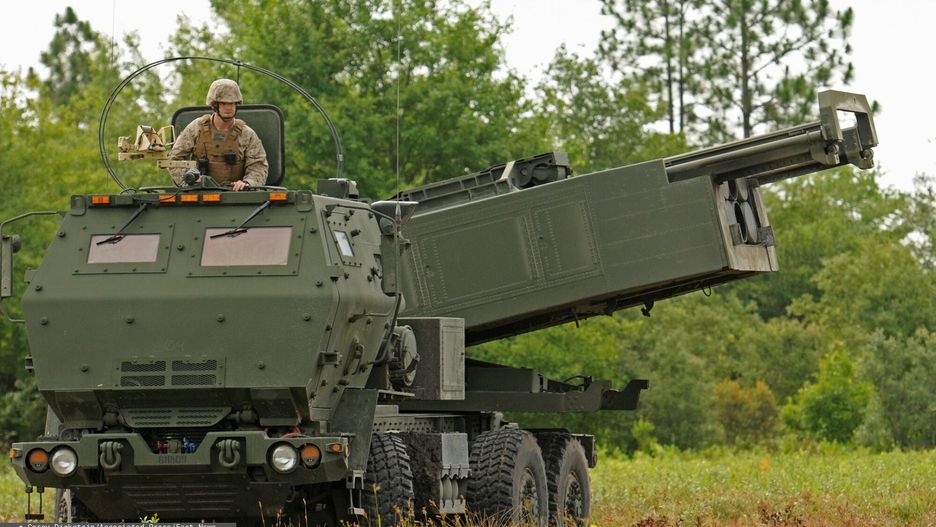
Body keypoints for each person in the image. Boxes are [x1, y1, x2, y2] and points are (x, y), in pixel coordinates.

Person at [168, 79, 268, 191]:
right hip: (199, 193)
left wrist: (247, 183)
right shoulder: (196, 128)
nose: (229, 107)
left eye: (232, 103)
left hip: (234, 195)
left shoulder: (246, 134)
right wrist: (189, 179)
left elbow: (258, 165)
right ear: (214, 105)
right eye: (224, 103)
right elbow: (175, 159)